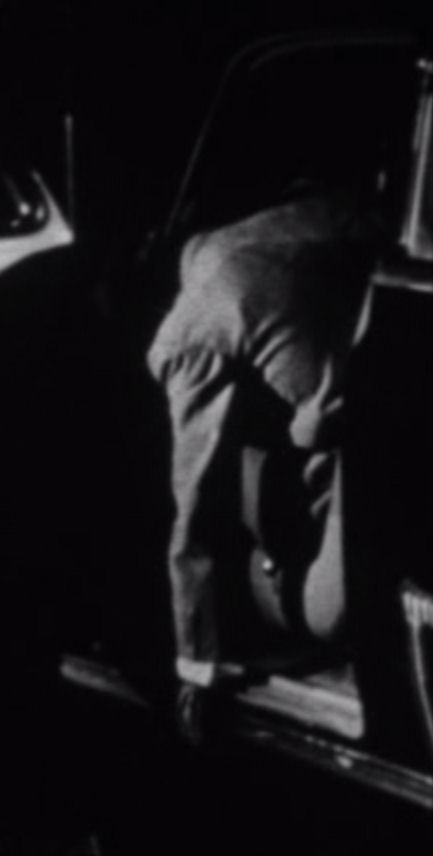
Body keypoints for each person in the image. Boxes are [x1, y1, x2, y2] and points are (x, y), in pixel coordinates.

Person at [146, 182, 380, 743]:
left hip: (360, 458)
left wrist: (196, 660)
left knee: (327, 610)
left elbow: (194, 505)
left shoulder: (186, 334)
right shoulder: (284, 227)